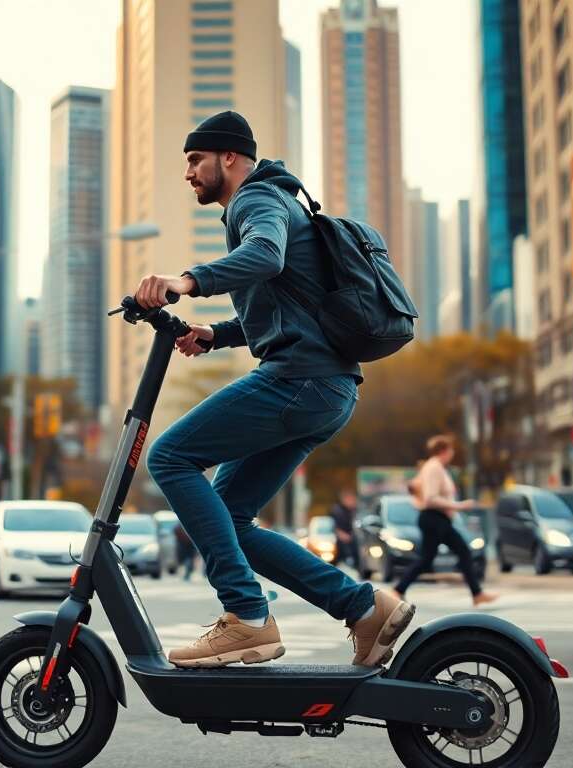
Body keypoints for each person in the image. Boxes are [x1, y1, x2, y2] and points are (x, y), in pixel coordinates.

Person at [134, 111, 414, 669]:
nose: (188, 173)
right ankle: (363, 608)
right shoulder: (280, 200)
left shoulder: (255, 199)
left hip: (300, 380)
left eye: (195, 160)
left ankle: (246, 615)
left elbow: (266, 256)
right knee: (230, 516)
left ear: (229, 157)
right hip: (327, 387)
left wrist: (186, 281)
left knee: (169, 457)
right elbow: (290, 306)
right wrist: (216, 334)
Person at [393, 435, 498, 606]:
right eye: (451, 449)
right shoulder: (434, 468)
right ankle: (477, 593)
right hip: (435, 519)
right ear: (444, 451)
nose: (453, 453)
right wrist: (459, 506)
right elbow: (430, 498)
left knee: (429, 558)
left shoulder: (435, 467)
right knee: (461, 551)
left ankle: (399, 589)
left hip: (436, 519)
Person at [330, 490, 358, 569]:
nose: (353, 501)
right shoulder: (337, 510)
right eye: (350, 499)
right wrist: (344, 536)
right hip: (341, 542)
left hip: (351, 539)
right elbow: (335, 527)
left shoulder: (353, 510)